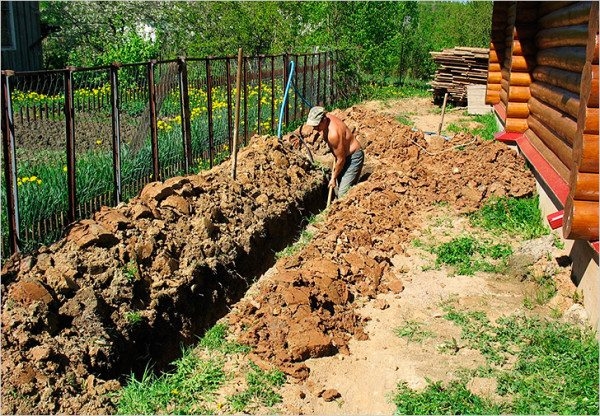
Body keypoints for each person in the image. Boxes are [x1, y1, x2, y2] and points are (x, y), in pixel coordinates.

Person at [305, 106, 364, 198]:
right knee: (337, 189)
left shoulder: (333, 135)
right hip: (343, 157)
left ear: (324, 120)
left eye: (316, 126)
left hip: (353, 158)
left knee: (343, 194)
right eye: (313, 126)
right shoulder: (327, 117)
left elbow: (341, 159)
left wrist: (333, 178)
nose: (315, 129)